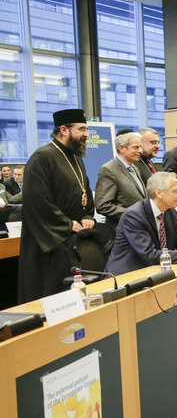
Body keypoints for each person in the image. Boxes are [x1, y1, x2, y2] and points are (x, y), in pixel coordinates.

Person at [18, 109, 96, 302]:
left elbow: (85, 190)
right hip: (49, 240)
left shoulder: (76, 158)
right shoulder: (42, 157)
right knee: (51, 297)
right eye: (82, 129)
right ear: (64, 130)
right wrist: (66, 224)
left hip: (73, 240)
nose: (86, 134)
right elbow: (36, 201)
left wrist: (87, 215)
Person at [105, 172, 177, 275]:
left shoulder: (170, 212)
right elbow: (150, 255)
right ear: (159, 193)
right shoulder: (134, 215)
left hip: (156, 271)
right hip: (127, 275)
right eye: (175, 191)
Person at [95, 132, 147, 230]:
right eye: (136, 147)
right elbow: (103, 205)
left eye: (141, 147)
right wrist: (132, 214)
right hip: (121, 230)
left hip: (138, 229)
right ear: (122, 148)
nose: (140, 151)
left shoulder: (135, 168)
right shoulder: (109, 169)